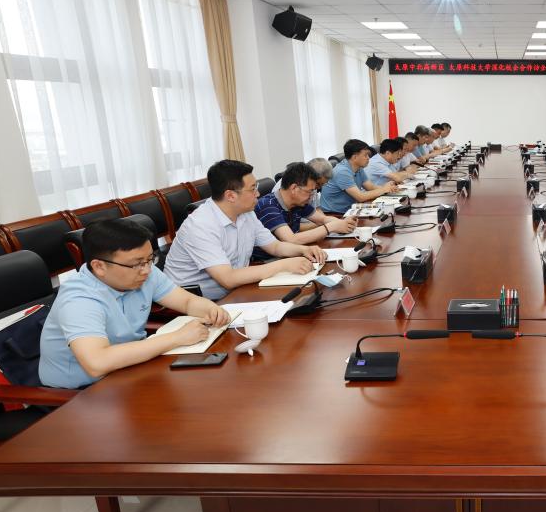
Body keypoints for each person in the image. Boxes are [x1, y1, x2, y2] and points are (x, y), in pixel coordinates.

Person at [39, 218, 232, 389]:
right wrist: (177, 337)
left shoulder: (143, 273)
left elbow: (187, 301)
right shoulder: (79, 299)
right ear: (99, 266)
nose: (146, 270)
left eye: (150, 259)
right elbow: (97, 362)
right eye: (137, 263)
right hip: (82, 392)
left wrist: (211, 309)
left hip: (130, 369)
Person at [165, 159, 327, 300]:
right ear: (230, 196)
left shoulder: (246, 213)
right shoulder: (201, 225)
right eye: (252, 189)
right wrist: (283, 265)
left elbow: (275, 246)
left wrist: (303, 250)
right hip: (196, 302)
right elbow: (227, 278)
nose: (258, 193)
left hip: (236, 290)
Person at [255, 162, 356, 248]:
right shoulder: (267, 206)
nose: (312, 196)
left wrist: (342, 223)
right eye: (310, 191)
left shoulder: (298, 203)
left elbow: (322, 219)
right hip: (267, 261)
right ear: (294, 188)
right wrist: (330, 227)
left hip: (293, 252)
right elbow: (291, 239)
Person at [319, 139, 398, 214]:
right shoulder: (342, 172)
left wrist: (388, 188)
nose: (368, 158)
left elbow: (370, 187)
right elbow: (360, 197)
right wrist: (383, 189)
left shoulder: (358, 167)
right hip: (334, 214)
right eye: (365, 155)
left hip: (351, 209)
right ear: (355, 157)